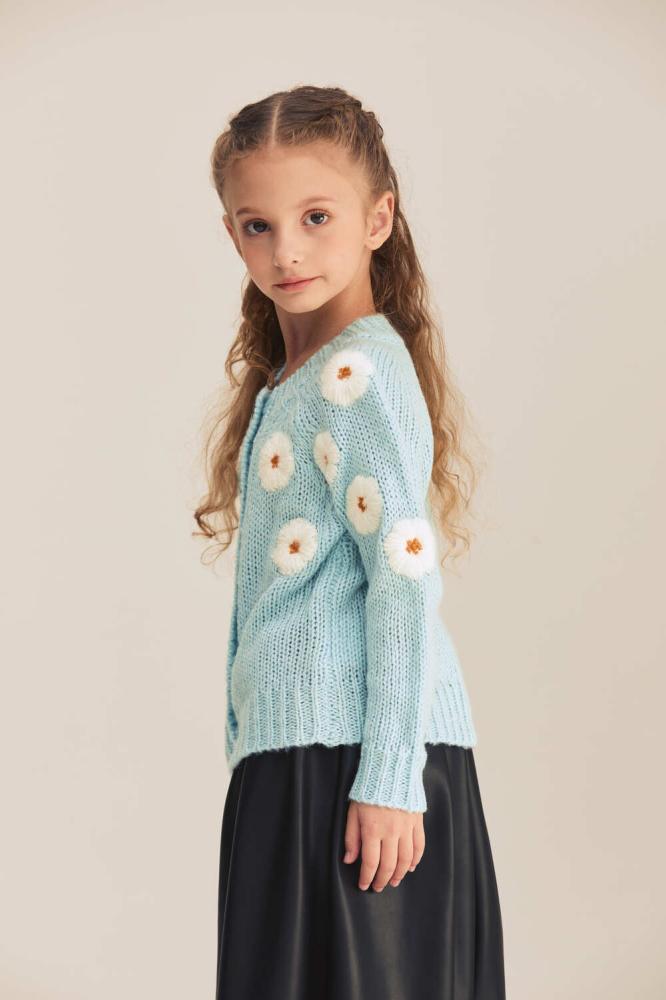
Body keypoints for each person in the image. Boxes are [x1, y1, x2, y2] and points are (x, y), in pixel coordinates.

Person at [194, 84, 506, 999]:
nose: (286, 250)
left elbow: (403, 576)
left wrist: (391, 779)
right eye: (257, 225)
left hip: (353, 764)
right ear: (232, 235)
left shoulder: (355, 372)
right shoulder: (295, 381)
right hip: (302, 757)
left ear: (378, 218)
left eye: (316, 217)